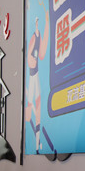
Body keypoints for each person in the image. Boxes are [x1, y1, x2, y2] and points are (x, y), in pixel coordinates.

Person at [25, 12, 49, 153]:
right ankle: (33, 139)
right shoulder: (33, 38)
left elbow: (41, 53)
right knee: (30, 107)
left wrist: (47, 23)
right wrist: (31, 60)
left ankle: (37, 141)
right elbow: (29, 57)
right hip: (31, 76)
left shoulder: (39, 38)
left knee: (38, 105)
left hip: (36, 75)